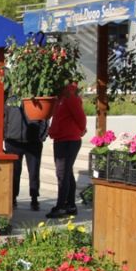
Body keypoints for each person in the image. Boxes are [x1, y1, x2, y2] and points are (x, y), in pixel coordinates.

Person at [46, 84, 87, 219]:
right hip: (62, 139)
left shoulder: (70, 97)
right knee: (67, 172)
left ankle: (61, 206)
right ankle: (70, 205)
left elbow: (80, 117)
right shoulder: (61, 99)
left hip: (69, 140)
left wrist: (81, 130)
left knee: (62, 173)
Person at [3, 92, 48, 211]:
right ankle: (13, 198)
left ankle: (34, 198)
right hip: (13, 142)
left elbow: (45, 118)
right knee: (14, 172)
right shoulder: (10, 100)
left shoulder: (36, 99)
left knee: (34, 172)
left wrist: (41, 137)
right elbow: (4, 118)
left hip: (33, 143)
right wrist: (5, 136)